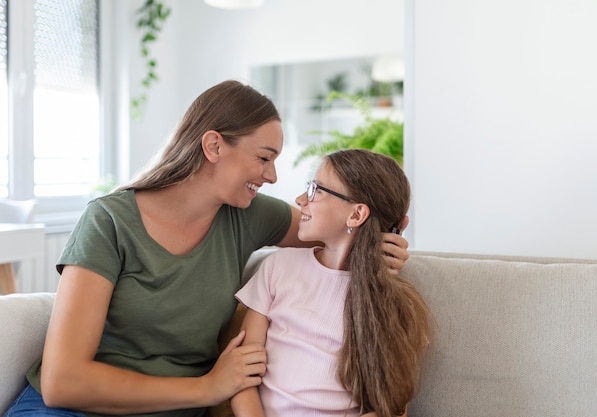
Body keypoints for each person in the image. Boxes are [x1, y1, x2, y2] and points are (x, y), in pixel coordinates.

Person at [3, 80, 409, 417]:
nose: (272, 176)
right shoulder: (109, 221)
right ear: (214, 146)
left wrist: (386, 242)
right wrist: (207, 388)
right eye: (264, 158)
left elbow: (335, 226)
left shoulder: (247, 214)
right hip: (74, 408)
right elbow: (62, 383)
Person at [231, 149, 433, 417]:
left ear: (356, 214)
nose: (301, 199)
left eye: (316, 190)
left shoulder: (393, 303)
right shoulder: (279, 267)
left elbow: (392, 408)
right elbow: (241, 377)